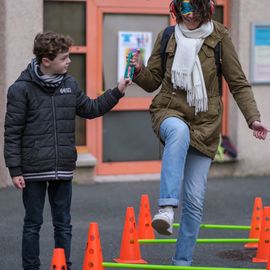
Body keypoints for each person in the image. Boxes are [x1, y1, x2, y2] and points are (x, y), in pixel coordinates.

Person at [130, 0, 269, 266]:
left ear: (207, 8)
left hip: (206, 123)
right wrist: (138, 70)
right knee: (179, 132)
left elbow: (238, 82)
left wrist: (253, 119)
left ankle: (182, 261)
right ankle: (167, 208)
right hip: (169, 110)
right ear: (176, 9)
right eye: (183, 8)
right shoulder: (168, 36)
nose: (189, 13)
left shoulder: (219, 36)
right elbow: (151, 82)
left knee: (194, 198)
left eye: (195, 7)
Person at [4, 31, 130, 270]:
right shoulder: (20, 90)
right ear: (46, 61)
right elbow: (12, 133)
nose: (69, 61)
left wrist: (118, 91)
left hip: (62, 167)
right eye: (64, 58)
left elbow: (91, 109)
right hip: (32, 169)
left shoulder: (70, 85)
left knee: (63, 223)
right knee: (33, 223)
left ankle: (63, 265)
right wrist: (15, 169)